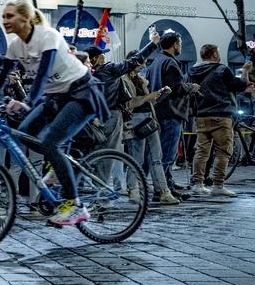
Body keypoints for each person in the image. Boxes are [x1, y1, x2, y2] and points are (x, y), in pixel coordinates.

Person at [0, 0, 108, 226]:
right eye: (3, 16)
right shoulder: (15, 46)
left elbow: (43, 73)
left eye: (10, 16)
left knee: (50, 143)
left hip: (81, 91)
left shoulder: (47, 36)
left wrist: (27, 102)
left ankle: (76, 206)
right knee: (24, 131)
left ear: (25, 18)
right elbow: (0, 77)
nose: (5, 20)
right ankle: (59, 165)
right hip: (55, 96)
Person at [85, 26, 161, 183]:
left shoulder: (89, 74)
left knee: (99, 154)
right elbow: (132, 62)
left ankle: (99, 188)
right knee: (108, 155)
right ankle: (102, 196)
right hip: (112, 115)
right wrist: (152, 44)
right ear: (95, 59)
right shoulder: (107, 70)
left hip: (96, 117)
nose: (104, 57)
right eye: (101, 56)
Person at [188, 45, 253, 196]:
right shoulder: (222, 69)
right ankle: (218, 185)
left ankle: (198, 184)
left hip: (201, 116)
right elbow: (239, 85)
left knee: (201, 151)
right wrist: (245, 71)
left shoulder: (193, 71)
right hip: (221, 115)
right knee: (223, 151)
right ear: (214, 54)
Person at [145, 31, 201, 199]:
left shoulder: (155, 62)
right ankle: (162, 189)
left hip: (159, 112)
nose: (181, 47)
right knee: (167, 154)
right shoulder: (170, 62)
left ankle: (166, 184)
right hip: (171, 112)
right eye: (180, 44)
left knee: (161, 153)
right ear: (175, 44)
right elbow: (176, 87)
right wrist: (192, 87)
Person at [124, 58, 177, 205]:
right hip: (135, 119)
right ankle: (133, 189)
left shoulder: (141, 80)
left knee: (156, 157)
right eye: (141, 63)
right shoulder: (124, 80)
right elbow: (130, 104)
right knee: (137, 158)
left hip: (149, 118)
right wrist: (148, 96)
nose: (143, 66)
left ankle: (163, 191)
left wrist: (158, 96)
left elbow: (148, 101)